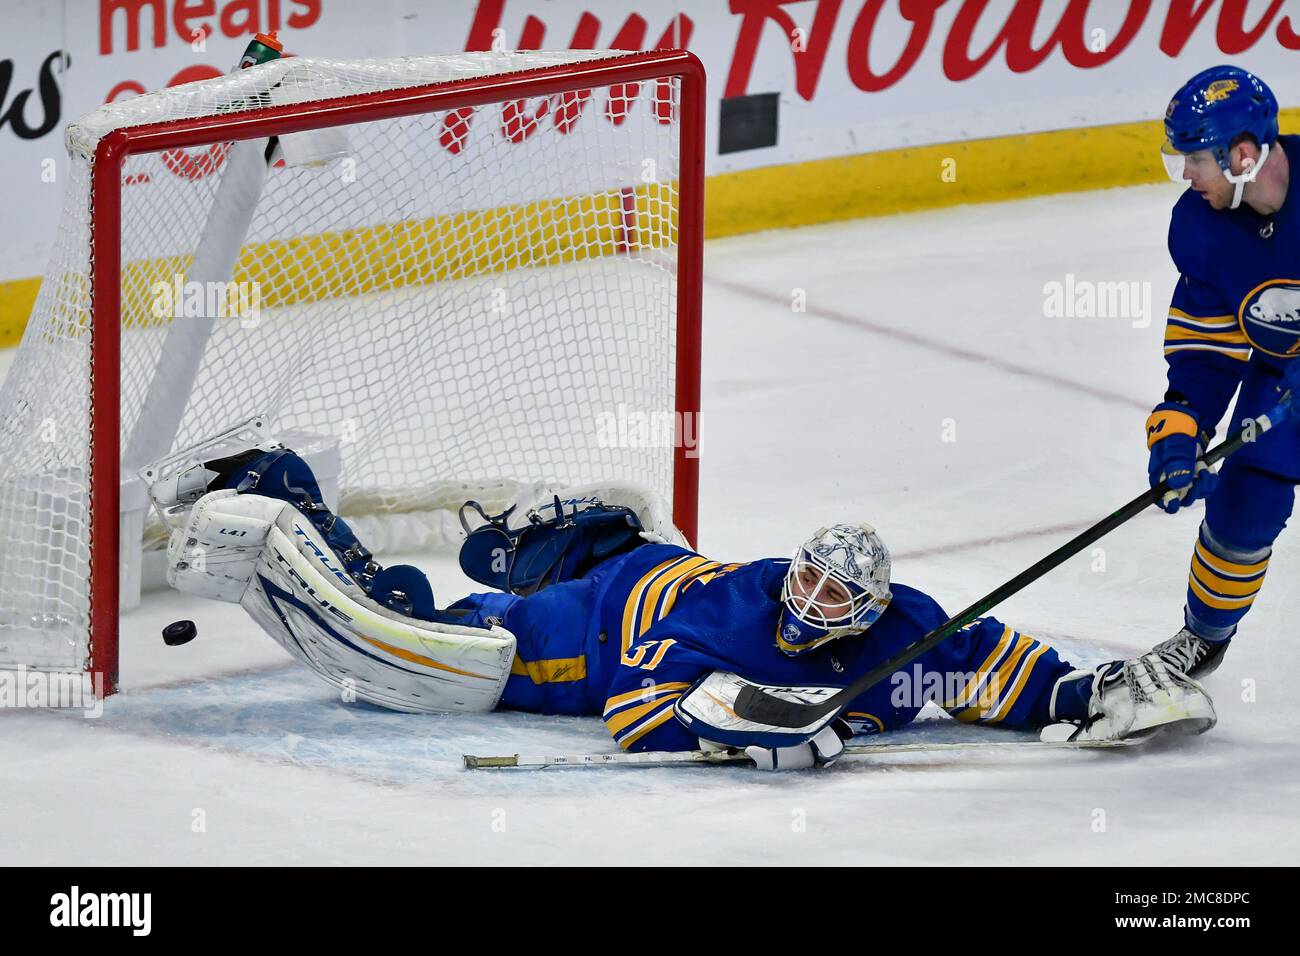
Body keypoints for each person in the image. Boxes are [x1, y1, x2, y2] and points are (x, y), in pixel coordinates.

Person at [152, 439, 1214, 770]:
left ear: (868, 608)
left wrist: (1080, 692)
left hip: (655, 561)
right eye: (804, 573)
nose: (810, 597)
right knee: (414, 659)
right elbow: (636, 710)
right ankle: (287, 494)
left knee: (446, 620)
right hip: (581, 634)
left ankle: (582, 532)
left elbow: (981, 665)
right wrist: (768, 737)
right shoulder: (737, 619)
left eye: (834, 591)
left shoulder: (899, 632)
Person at [1149, 65, 1300, 678]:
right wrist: (1183, 419)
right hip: (1284, 379)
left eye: (1195, 158)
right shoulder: (1201, 228)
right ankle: (1203, 639)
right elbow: (1208, 345)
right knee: (1243, 498)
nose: (1186, 174)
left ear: (1241, 155)